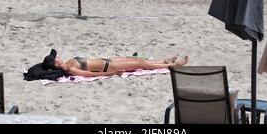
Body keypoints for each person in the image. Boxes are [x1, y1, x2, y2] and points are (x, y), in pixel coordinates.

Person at [42, 49, 189, 77]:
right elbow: (87, 74)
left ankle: (164, 60)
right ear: (55, 64)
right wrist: (113, 73)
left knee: (137, 60)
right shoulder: (70, 69)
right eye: (56, 58)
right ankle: (172, 65)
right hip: (109, 66)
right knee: (141, 65)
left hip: (108, 60)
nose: (58, 57)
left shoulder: (68, 62)